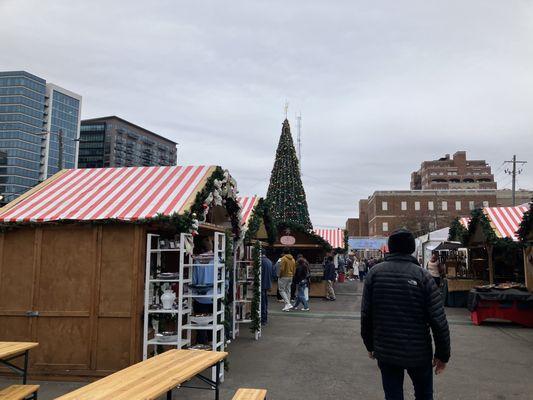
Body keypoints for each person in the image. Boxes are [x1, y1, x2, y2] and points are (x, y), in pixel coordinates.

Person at [361, 228, 450, 400]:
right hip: (418, 350)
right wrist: (442, 355)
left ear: (390, 247)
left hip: (386, 348)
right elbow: (438, 320)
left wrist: (369, 344)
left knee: (392, 394)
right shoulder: (423, 276)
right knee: (424, 394)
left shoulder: (375, 274)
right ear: (411, 248)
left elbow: (367, 314)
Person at [260, 254, 273, 325]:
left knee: (262, 303)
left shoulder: (261, 261)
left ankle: (263, 319)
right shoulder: (269, 261)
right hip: (267, 285)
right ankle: (265, 318)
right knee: (265, 302)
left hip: (261, 284)